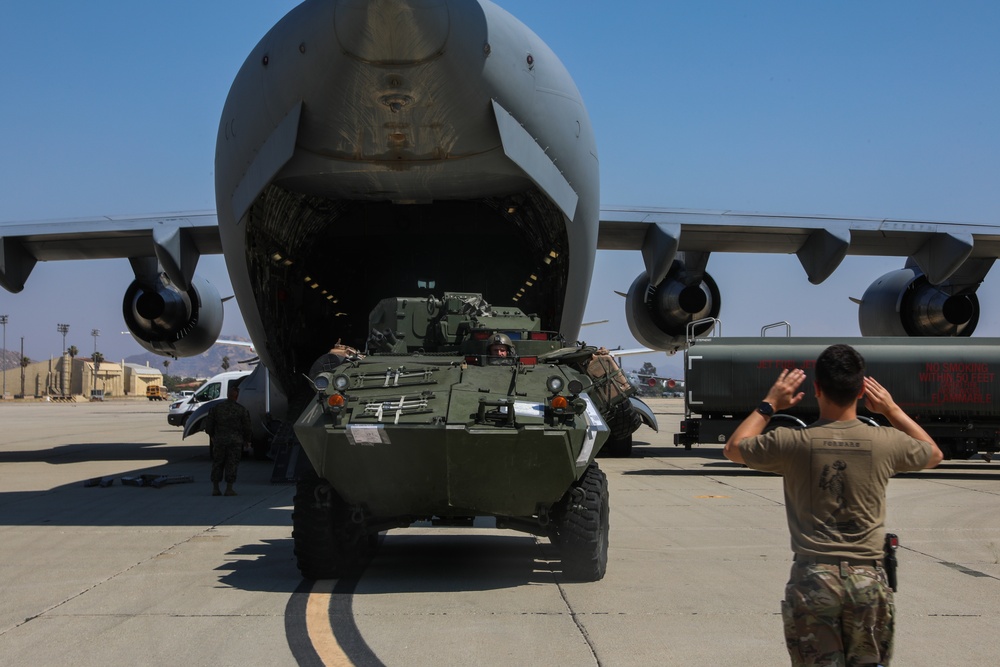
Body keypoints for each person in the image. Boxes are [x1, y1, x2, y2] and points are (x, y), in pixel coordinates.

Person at [723, 344, 943, 666]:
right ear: (860, 391)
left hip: (814, 579)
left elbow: (733, 448)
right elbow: (933, 454)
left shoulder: (793, 442)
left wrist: (769, 404)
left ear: (816, 389)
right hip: (868, 579)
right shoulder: (885, 441)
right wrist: (891, 410)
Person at [204, 385, 252, 496]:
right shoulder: (241, 410)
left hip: (219, 440)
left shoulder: (217, 408)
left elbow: (209, 425)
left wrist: (212, 435)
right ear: (237, 397)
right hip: (235, 441)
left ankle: (215, 488)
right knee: (232, 464)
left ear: (227, 395)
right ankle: (229, 488)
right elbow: (247, 427)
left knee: (218, 463)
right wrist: (247, 440)